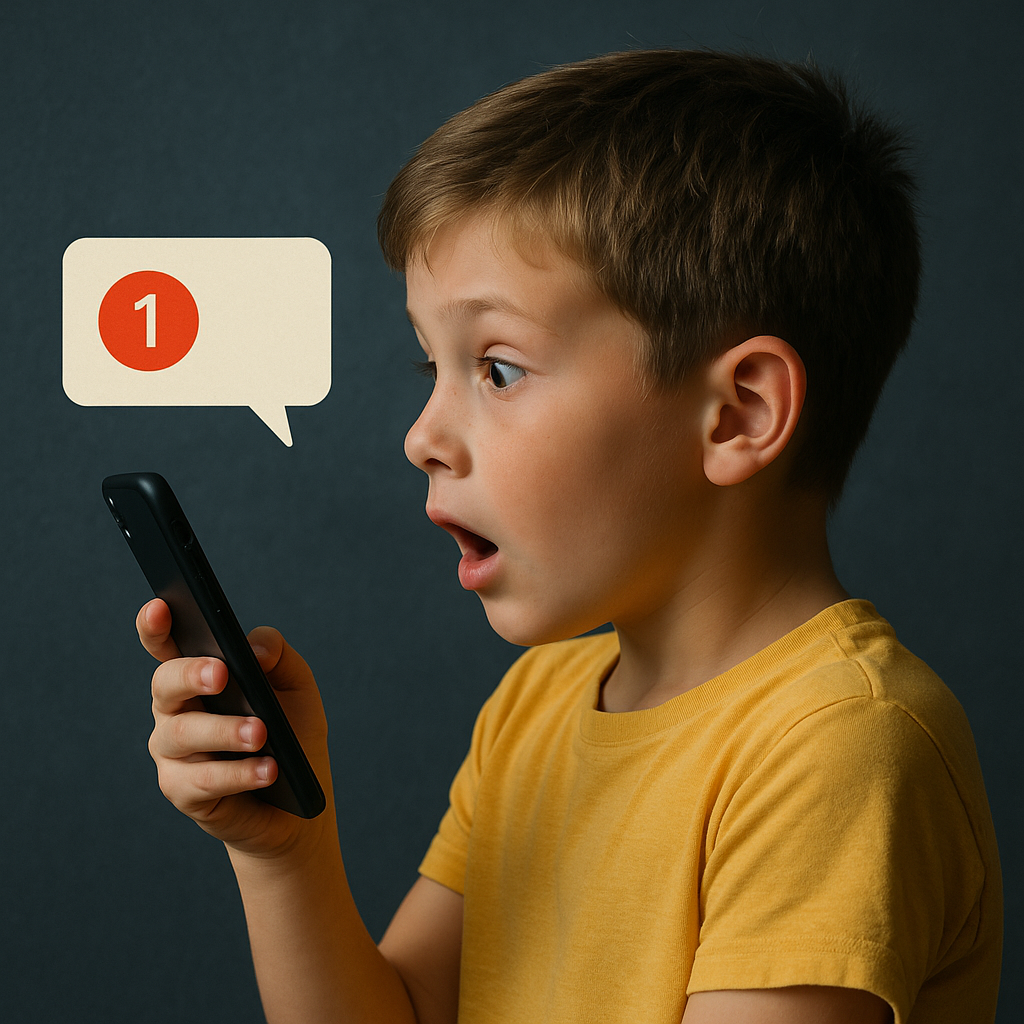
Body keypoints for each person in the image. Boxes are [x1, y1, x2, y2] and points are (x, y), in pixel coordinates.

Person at [138, 49, 1002, 1024]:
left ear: (738, 414)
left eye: (497, 369)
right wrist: (283, 851)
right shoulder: (535, 707)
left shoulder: (837, 746)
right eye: (430, 367)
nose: (421, 436)